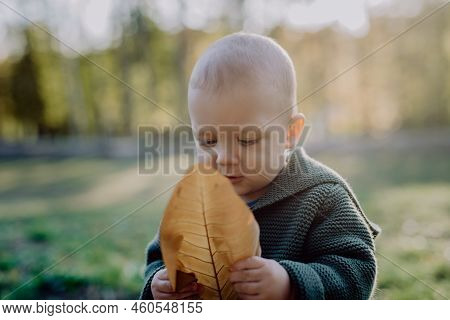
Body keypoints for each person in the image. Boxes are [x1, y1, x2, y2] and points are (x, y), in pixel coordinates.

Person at [140, 32, 381, 300]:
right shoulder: (195, 199)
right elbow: (160, 254)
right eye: (208, 140)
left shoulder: (322, 195)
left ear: (290, 133)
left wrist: (289, 284)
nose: (225, 157)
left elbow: (357, 272)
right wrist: (158, 282)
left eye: (247, 139)